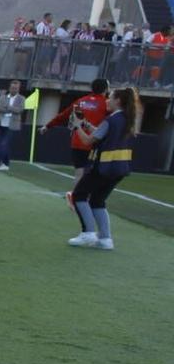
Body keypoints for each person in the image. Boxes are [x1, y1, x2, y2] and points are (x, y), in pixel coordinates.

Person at [67, 86, 136, 250]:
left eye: (110, 97)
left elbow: (88, 141)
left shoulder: (111, 120)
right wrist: (87, 124)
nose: (107, 100)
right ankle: (105, 239)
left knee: (79, 195)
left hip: (103, 166)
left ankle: (88, 232)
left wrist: (77, 126)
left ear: (118, 100)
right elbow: (102, 134)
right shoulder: (127, 119)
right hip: (119, 168)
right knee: (98, 201)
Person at [0, 77, 26, 171]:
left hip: (12, 125)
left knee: (4, 144)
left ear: (18, 89)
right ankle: (6, 163)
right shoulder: (3, 97)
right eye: (12, 88)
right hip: (0, 124)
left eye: (16, 88)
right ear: (9, 88)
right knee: (2, 144)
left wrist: (8, 107)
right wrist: (11, 109)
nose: (14, 89)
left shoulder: (21, 98)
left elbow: (20, 110)